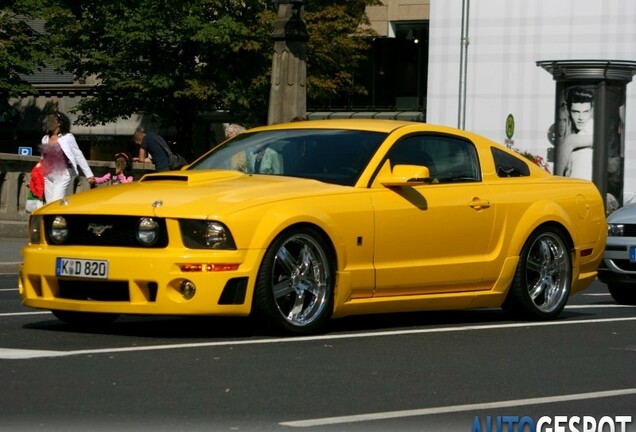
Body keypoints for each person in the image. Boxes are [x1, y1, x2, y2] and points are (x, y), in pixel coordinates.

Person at [40, 111, 95, 203]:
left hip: (63, 173)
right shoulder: (45, 138)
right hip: (48, 174)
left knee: (55, 202)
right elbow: (42, 158)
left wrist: (89, 175)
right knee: (48, 205)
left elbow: (78, 155)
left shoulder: (67, 137)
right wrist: (37, 175)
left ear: (59, 123)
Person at [561, 87, 594, 179]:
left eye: (585, 112)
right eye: (576, 112)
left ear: (591, 111)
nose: (581, 118)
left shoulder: (589, 131)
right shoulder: (575, 134)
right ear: (569, 111)